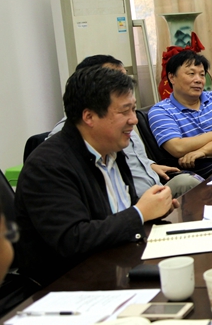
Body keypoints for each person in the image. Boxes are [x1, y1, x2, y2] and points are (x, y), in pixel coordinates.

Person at [15, 66, 178, 286]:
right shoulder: (47, 165)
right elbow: (73, 240)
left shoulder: (112, 150)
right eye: (124, 111)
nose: (134, 120)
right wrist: (140, 213)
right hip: (71, 286)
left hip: (121, 266)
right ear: (89, 116)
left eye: (133, 109)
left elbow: (116, 216)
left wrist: (153, 211)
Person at [48, 55, 200, 198]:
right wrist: (140, 211)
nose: (134, 120)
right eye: (114, 78)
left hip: (150, 191)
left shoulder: (119, 130)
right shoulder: (61, 149)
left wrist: (149, 165)